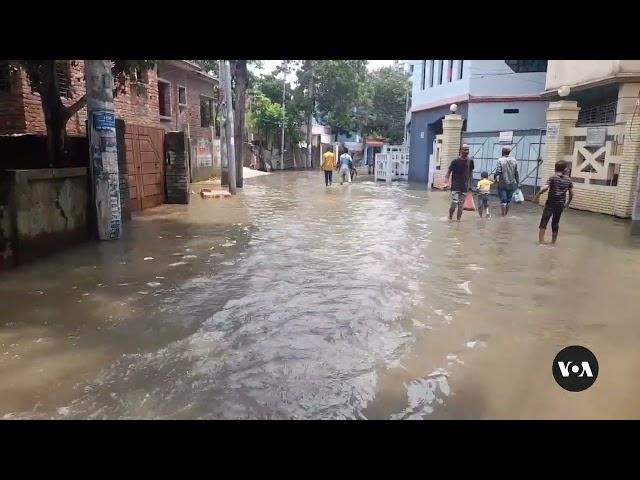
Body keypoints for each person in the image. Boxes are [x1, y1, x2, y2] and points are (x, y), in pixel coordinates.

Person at [534, 160, 574, 245]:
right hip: (560, 204)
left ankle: (541, 243)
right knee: (555, 223)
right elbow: (571, 193)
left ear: (555, 168)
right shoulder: (568, 180)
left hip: (550, 203)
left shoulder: (552, 177)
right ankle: (553, 243)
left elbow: (545, 188)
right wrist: (567, 204)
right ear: (565, 169)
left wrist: (537, 195)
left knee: (544, 221)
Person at [444, 144, 475, 221]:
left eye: (467, 150)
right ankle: (450, 217)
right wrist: (446, 182)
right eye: (464, 149)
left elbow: (470, 173)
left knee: (461, 206)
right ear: (460, 150)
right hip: (455, 186)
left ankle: (458, 221)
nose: (466, 151)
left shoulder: (470, 161)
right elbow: (448, 172)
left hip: (464, 187)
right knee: (454, 203)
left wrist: (471, 186)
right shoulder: (455, 161)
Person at [494, 147, 519, 216]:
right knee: (508, 201)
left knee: (503, 200)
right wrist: (517, 182)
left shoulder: (500, 160)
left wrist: (494, 178)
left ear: (502, 152)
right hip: (512, 183)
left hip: (503, 183)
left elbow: (498, 171)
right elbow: (516, 172)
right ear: (509, 152)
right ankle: (506, 216)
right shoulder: (514, 160)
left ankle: (503, 216)